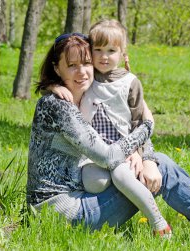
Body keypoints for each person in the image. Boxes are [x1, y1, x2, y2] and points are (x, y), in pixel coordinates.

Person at [27, 32, 190, 245]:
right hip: (62, 214)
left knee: (156, 164)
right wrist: (147, 128)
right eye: (72, 66)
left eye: (86, 63)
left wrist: (143, 156)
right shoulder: (56, 104)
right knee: (163, 167)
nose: (82, 72)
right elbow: (106, 155)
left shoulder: (88, 96)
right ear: (56, 68)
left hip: (81, 198)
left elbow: (120, 130)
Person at [48, 19, 171, 236]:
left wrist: (140, 152)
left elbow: (138, 119)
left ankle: (159, 224)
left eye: (111, 50)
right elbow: (64, 85)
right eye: (98, 50)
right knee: (97, 182)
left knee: (123, 175)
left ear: (123, 54)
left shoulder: (130, 82)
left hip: (120, 150)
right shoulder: (88, 78)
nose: (104, 56)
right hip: (93, 156)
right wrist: (53, 85)